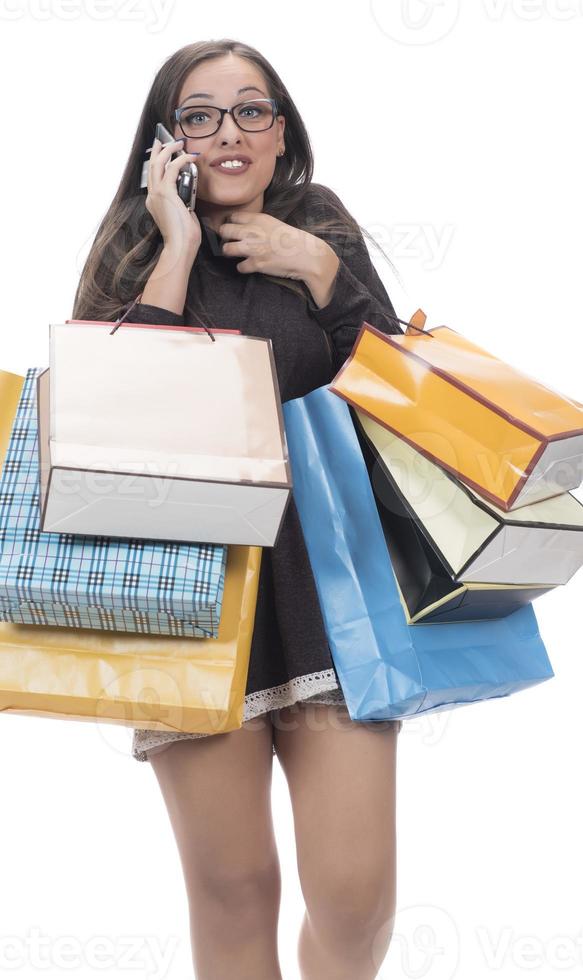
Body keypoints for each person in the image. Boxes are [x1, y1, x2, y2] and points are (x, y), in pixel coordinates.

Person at [73, 38, 405, 980]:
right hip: (183, 595)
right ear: (165, 141)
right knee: (234, 889)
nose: (229, 132)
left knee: (356, 896)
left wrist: (320, 272)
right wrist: (175, 251)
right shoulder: (133, 247)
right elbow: (121, 420)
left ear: (281, 130)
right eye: (201, 114)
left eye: (252, 110)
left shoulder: (317, 227)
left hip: (328, 593)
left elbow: (401, 394)